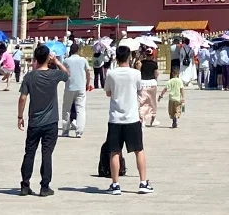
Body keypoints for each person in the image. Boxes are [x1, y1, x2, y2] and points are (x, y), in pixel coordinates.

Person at [17, 45, 71, 197]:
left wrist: (20, 116)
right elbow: (67, 75)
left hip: (34, 122)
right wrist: (58, 61)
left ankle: (25, 185)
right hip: (50, 122)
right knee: (47, 154)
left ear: (35, 58)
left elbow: (22, 98)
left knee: (29, 153)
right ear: (48, 57)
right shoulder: (54, 75)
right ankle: (44, 186)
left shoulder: (29, 76)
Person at [103, 46, 154, 195]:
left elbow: (108, 92)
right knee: (139, 150)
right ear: (128, 57)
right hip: (132, 118)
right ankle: (143, 182)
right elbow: (139, 89)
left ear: (116, 58)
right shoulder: (135, 74)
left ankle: (115, 184)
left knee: (114, 151)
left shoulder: (111, 74)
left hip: (115, 118)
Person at [61, 44, 92, 138]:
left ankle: (65, 130)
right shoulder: (83, 60)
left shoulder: (66, 60)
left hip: (69, 87)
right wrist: (88, 83)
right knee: (80, 110)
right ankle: (79, 131)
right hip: (80, 87)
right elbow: (88, 72)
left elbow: (63, 72)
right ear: (78, 50)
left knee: (66, 109)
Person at [138, 49, 160, 128]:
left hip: (143, 83)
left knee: (142, 101)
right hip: (152, 83)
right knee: (152, 102)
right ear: (152, 55)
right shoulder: (154, 64)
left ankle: (142, 120)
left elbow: (138, 70)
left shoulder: (141, 63)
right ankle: (153, 119)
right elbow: (157, 74)